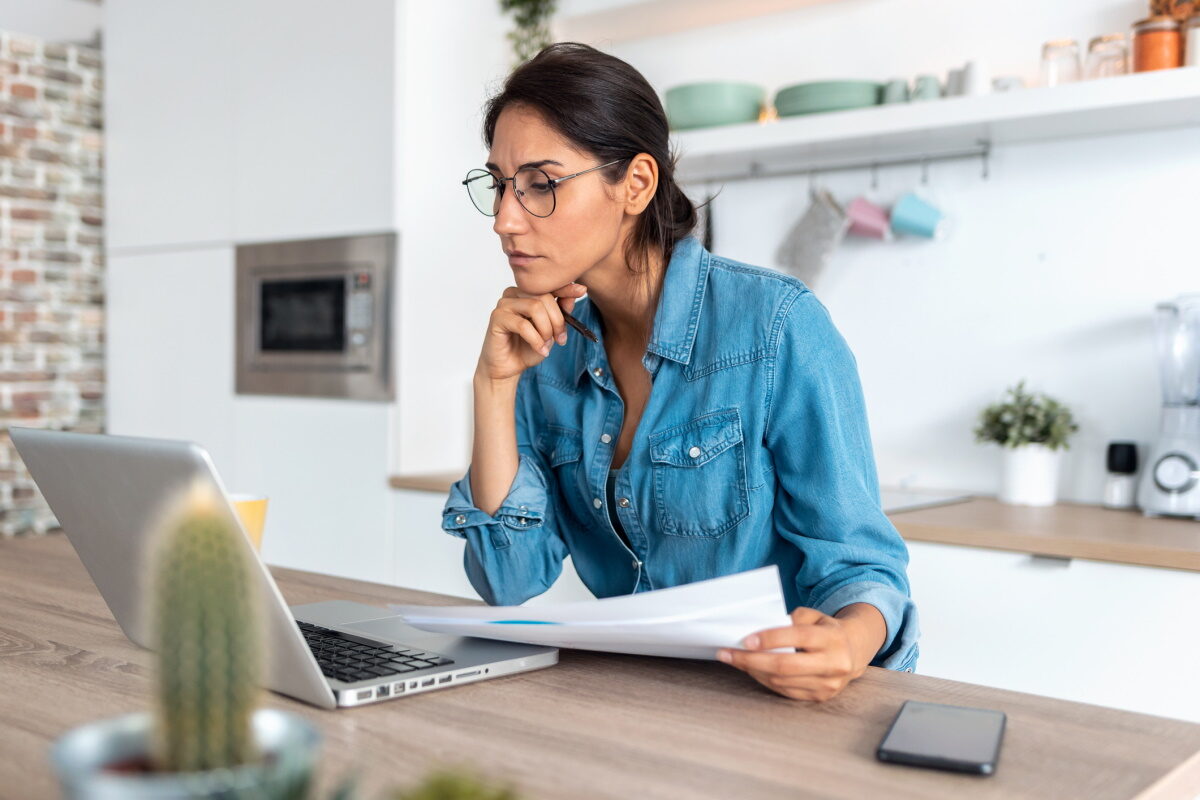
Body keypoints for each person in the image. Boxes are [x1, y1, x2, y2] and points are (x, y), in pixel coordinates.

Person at [443, 42, 919, 701]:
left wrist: (846, 643)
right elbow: (508, 580)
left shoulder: (777, 326)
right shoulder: (539, 350)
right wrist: (493, 387)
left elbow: (862, 569)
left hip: (771, 706)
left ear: (635, 184)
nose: (504, 219)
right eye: (500, 185)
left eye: (541, 185)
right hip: (626, 703)